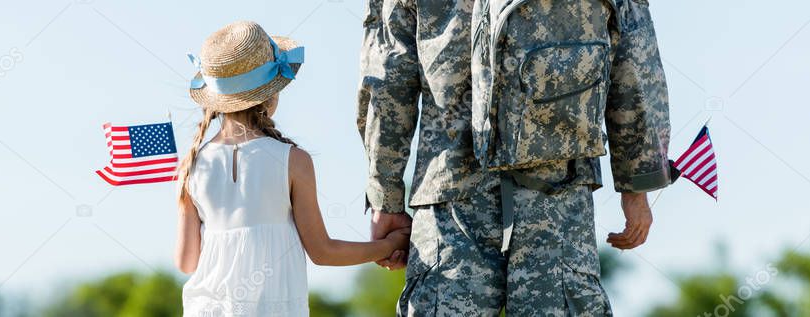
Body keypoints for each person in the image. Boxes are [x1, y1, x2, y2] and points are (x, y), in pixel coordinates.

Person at [358, 0, 675, 315]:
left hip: (452, 195)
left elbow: (388, 79)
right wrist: (636, 185)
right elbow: (636, 65)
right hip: (558, 196)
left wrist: (386, 197)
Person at [175, 21, 410, 317]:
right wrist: (389, 245)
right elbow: (323, 252)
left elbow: (186, 263)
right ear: (271, 94)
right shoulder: (292, 160)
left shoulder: (191, 165)